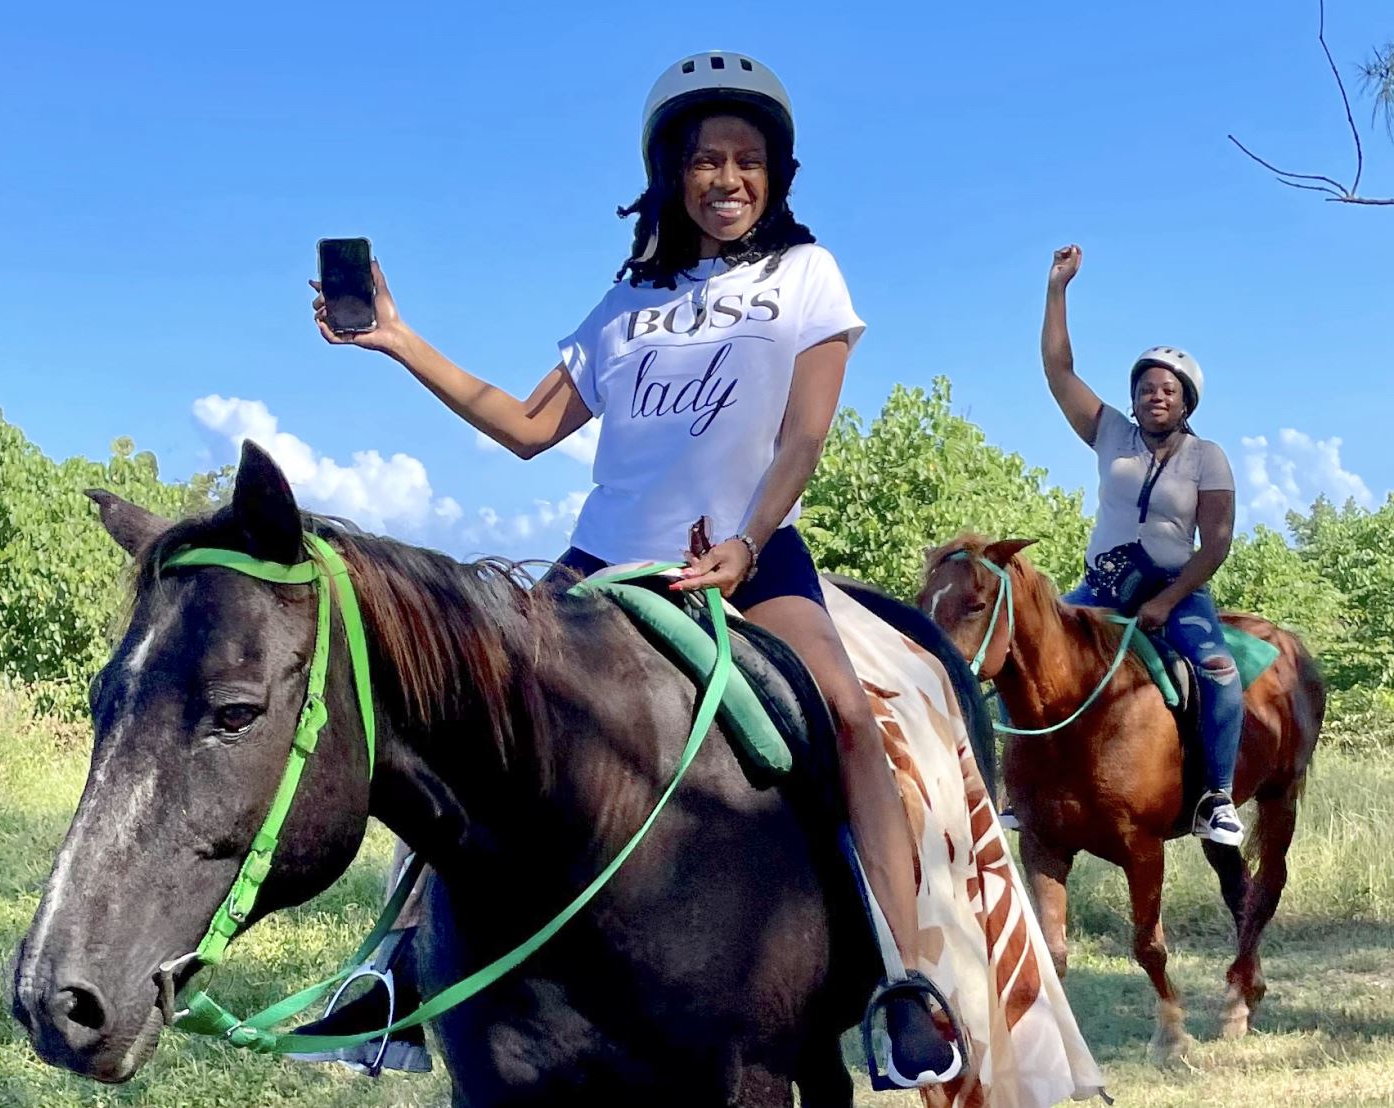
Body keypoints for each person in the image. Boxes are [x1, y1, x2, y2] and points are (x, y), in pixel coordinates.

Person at [310, 51, 962, 1087]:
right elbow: (525, 427)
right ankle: (392, 975)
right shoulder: (628, 301)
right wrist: (397, 338)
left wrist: (748, 542)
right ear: (673, 174)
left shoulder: (805, 275)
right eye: (707, 160)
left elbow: (801, 437)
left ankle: (902, 980)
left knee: (842, 713)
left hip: (744, 559)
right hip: (601, 561)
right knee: (471, 721)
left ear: (775, 174)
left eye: (747, 160)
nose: (728, 179)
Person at [1041, 243, 1245, 846]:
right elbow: (1058, 371)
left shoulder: (1208, 457)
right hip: (1102, 587)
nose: (1156, 396)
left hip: (1174, 592)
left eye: (1168, 390)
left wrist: (1167, 601)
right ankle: (1026, 789)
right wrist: (1058, 289)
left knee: (1220, 671)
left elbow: (1217, 543)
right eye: (1146, 388)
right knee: (1025, 652)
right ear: (1133, 398)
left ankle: (1217, 798)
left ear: (1186, 402)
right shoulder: (1109, 433)